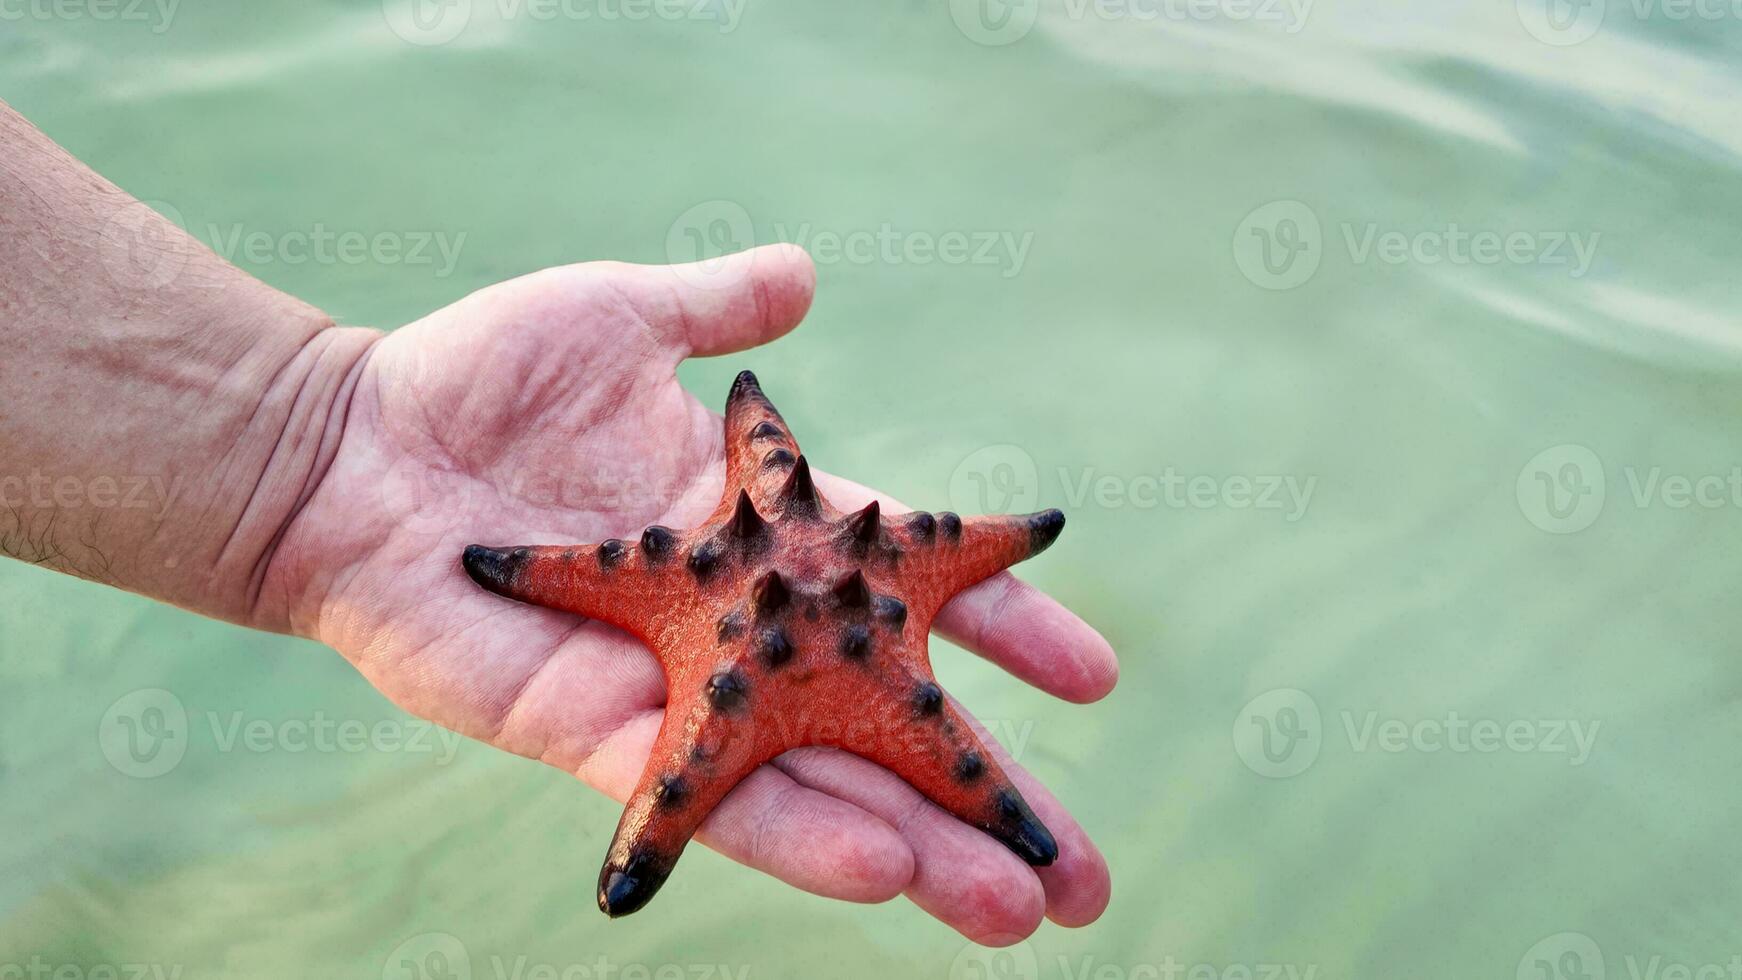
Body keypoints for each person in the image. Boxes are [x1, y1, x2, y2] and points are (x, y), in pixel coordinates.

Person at [0, 99, 1118, 944]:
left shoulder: (756, 584)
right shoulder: (772, 571)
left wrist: (309, 447)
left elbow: (853, 501)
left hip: (750, 623)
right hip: (764, 623)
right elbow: (753, 472)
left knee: (989, 837)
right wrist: (314, 453)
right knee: (983, 836)